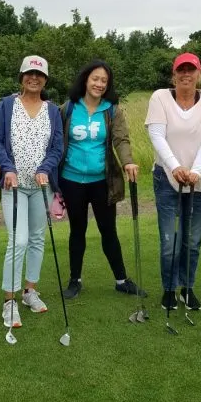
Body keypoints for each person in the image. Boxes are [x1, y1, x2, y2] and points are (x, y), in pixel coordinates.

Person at [58, 60, 144, 299]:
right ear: (85, 80)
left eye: (104, 81)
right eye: (95, 79)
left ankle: (121, 280)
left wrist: (127, 162)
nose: (99, 84)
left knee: (108, 230)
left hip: (102, 181)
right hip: (71, 180)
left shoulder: (112, 110)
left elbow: (121, 139)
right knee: (77, 230)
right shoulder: (68, 108)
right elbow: (56, 140)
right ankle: (75, 280)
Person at [0, 55, 64, 329]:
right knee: (18, 241)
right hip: (14, 185)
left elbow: (57, 147)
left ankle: (29, 291)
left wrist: (45, 167)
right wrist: (8, 168)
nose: (34, 78)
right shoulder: (7, 105)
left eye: (39, 75)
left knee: (36, 239)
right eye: (29, 74)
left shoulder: (52, 111)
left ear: (45, 80)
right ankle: (9, 301)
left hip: (41, 186)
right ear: (21, 77)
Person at [145, 52, 201, 312]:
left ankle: (187, 288)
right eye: (181, 69)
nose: (186, 74)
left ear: (199, 73)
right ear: (174, 73)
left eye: (191, 69)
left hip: (200, 180)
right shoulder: (160, 97)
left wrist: (196, 170)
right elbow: (157, 135)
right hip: (166, 177)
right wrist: (175, 166)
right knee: (170, 243)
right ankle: (169, 289)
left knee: (192, 240)